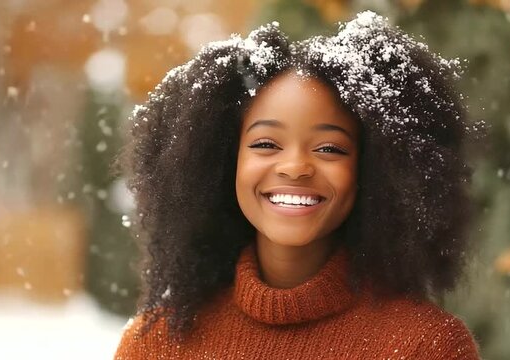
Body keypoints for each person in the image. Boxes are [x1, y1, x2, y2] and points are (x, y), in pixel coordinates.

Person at [114, 11, 481, 359]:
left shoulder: (425, 347)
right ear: (223, 161)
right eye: (266, 144)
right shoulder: (157, 344)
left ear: (374, 169)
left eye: (329, 148)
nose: (295, 167)